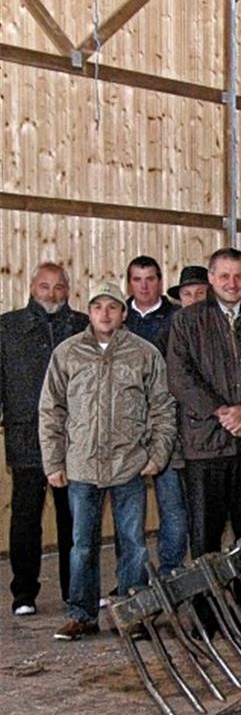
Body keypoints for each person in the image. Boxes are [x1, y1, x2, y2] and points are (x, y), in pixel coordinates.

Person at [39, 282, 176, 640]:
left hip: (128, 465)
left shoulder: (144, 354)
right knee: (82, 544)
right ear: (89, 312)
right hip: (82, 467)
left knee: (132, 542)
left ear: (123, 312)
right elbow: (51, 410)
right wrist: (54, 462)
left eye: (112, 307)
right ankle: (81, 614)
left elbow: (162, 407)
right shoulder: (67, 354)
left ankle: (132, 614)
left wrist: (157, 454)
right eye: (98, 307)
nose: (105, 313)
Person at [166, 248, 241, 559]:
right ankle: (207, 606)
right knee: (205, 537)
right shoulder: (187, 321)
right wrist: (224, 414)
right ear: (211, 279)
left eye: (238, 276)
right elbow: (180, 378)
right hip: (205, 445)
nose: (232, 283)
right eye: (224, 276)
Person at [0, 262, 88, 616]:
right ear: (31, 287)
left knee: (74, 519)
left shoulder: (82, 325)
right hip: (27, 436)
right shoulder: (7, 328)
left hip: (74, 439)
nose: (52, 294)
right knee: (25, 518)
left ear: (69, 290)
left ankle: (75, 591)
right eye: (44, 286)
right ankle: (24, 593)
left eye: (58, 287)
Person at [125, 255, 187, 579]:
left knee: (172, 504)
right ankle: (131, 577)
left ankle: (170, 572)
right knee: (128, 509)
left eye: (150, 279)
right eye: (138, 279)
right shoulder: (117, 318)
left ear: (160, 282)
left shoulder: (179, 318)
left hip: (167, 423)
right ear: (129, 283)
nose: (144, 286)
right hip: (127, 427)